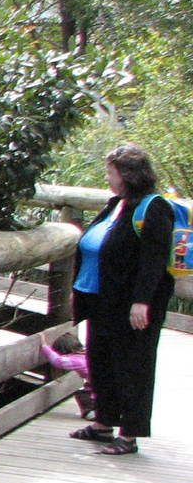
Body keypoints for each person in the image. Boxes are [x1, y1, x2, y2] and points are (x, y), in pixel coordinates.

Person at [69, 143, 175, 455]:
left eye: (111, 172)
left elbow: (154, 260)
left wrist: (142, 302)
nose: (108, 177)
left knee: (133, 367)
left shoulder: (154, 208)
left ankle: (129, 435)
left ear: (128, 175)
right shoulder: (117, 204)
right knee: (101, 362)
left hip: (131, 304)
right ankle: (103, 423)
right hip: (101, 300)